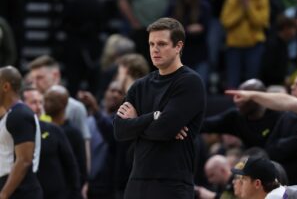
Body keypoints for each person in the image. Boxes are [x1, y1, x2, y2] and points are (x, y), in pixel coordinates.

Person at [114, 17, 206, 198]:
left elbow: (163, 130)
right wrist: (154, 117)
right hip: (136, 183)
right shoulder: (139, 86)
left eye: (162, 44)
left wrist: (136, 122)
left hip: (172, 184)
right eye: (151, 44)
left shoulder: (190, 82)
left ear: (178, 46)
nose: (155, 49)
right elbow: (119, 131)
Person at [28, 55, 91, 174]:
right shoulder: (31, 106)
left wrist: (85, 181)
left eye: (40, 78)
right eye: (33, 79)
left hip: (66, 174)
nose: (35, 83)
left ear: (55, 75)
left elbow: (83, 145)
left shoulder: (75, 108)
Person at [21, 86, 82, 199]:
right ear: (21, 105)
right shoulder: (14, 133)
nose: (39, 107)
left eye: (40, 102)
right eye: (33, 102)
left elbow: (71, 164)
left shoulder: (53, 129)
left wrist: (75, 192)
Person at [202, 79, 282, 148]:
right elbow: (205, 125)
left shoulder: (278, 117)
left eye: (243, 97)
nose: (237, 101)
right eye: (237, 96)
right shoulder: (235, 117)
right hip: (247, 160)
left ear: (258, 98)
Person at [0, 66, 42, 199]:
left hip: (20, 191)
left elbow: (24, 160)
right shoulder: (11, 114)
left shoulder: (20, 115)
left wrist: (4, 194)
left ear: (6, 86)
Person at [43, 85, 87, 194]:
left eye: (51, 100)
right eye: (45, 100)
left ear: (64, 103)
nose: (46, 104)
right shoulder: (43, 129)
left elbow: (80, 165)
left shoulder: (73, 132)